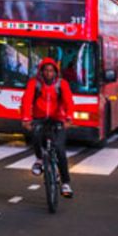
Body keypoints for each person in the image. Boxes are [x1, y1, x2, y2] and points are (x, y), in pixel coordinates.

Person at [21, 57, 75, 198]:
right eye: (46, 70)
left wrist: (69, 118)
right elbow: (26, 100)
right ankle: (39, 160)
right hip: (40, 118)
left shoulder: (61, 84)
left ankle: (65, 183)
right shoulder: (34, 83)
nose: (48, 73)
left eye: (51, 71)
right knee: (36, 134)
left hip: (58, 119)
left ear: (55, 72)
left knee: (59, 149)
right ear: (41, 72)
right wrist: (26, 119)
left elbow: (69, 101)